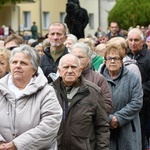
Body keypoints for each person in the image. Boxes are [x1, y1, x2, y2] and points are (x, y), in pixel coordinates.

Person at [0, 45, 62, 150]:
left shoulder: (46, 92)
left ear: (34, 69)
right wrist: (1, 143)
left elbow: (50, 125)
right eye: (14, 62)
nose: (18, 66)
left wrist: (17, 145)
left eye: (23, 63)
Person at [52, 53, 110, 150]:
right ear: (59, 71)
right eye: (66, 67)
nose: (69, 71)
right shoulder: (50, 92)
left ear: (80, 71)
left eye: (73, 67)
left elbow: (102, 127)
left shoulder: (93, 92)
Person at [100, 43, 143, 150]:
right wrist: (109, 119)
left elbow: (136, 102)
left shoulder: (132, 78)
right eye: (109, 58)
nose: (113, 61)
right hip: (105, 129)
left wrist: (118, 118)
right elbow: (95, 104)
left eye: (116, 58)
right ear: (105, 61)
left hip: (128, 128)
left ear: (121, 61)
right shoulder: (99, 80)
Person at [71, 42, 113, 115]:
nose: (76, 60)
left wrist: (88, 114)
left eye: (80, 57)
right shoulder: (64, 78)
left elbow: (107, 104)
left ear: (89, 59)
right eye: (74, 57)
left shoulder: (98, 78)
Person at [127, 28, 150, 150]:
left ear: (142, 41)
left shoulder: (148, 57)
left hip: (145, 104)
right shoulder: (125, 56)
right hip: (129, 102)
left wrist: (137, 90)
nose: (133, 43)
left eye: (136, 40)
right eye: (130, 40)